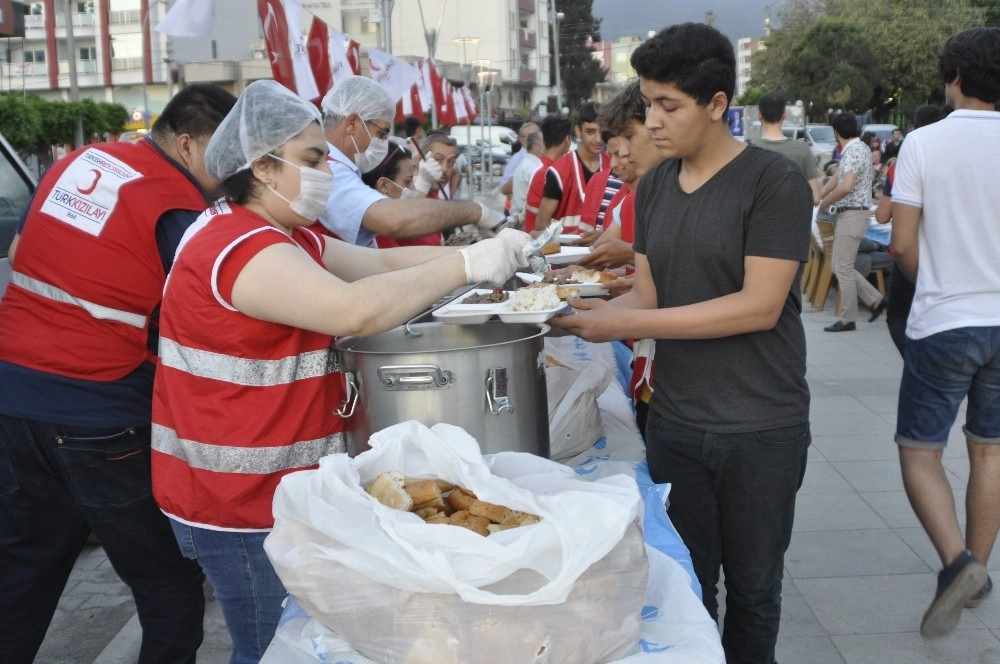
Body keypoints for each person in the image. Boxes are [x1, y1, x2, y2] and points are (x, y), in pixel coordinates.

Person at [149, 80, 532, 663]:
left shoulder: (284, 231)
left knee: (299, 642)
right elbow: (354, 307)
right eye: (312, 158)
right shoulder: (237, 246)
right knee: (267, 648)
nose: (328, 169)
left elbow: (375, 263)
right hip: (239, 499)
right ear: (263, 166)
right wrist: (463, 262)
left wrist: (490, 253)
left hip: (276, 486)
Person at [550, 22, 812, 664]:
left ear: (717, 105)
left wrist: (623, 324)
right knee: (689, 588)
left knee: (754, 594)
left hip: (759, 425)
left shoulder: (772, 182)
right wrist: (581, 308)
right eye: (649, 105)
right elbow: (649, 296)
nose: (655, 122)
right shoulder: (659, 185)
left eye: (670, 105)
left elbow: (758, 305)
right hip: (676, 422)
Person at [0, 83, 238, 664]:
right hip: (100, 417)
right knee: (170, 588)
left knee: (22, 574)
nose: (236, 172)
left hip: (15, 398)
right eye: (227, 156)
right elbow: (208, 307)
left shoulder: (81, 161)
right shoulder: (177, 206)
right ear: (187, 144)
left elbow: (25, 244)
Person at [890, 26, 1000, 638]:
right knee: (989, 448)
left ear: (954, 77)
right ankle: (978, 571)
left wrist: (931, 279)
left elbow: (902, 243)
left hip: (945, 320)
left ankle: (958, 563)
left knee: (919, 449)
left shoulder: (923, 143)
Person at [314, 77, 504, 246]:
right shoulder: (331, 171)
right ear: (352, 123)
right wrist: (475, 211)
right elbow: (392, 219)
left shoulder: (341, 169)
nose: (381, 143)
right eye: (380, 133)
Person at [873, 104, 950, 356]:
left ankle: (919, 361)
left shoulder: (904, 163)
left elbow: (883, 215)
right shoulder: (957, 159)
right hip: (951, 255)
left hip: (913, 256)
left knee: (898, 316)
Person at [816, 112, 885, 332]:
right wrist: (821, 194)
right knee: (839, 265)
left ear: (836, 133)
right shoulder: (858, 149)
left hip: (853, 214)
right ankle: (876, 300)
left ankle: (848, 318)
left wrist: (825, 202)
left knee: (842, 267)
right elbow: (837, 178)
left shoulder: (854, 150)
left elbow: (845, 186)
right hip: (852, 213)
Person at [532, 102, 611, 234]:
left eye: (602, 131)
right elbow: (541, 224)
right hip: (566, 251)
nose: (598, 139)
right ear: (578, 131)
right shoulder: (559, 171)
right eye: (590, 131)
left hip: (604, 251)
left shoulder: (613, 165)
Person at [752, 92, 821, 203]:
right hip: (794, 217)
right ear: (784, 115)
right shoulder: (802, 149)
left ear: (759, 115)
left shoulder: (749, 150)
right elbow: (816, 198)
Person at [523, 114, 573, 230]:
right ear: (567, 140)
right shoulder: (551, 173)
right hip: (543, 239)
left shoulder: (540, 168)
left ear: (544, 140)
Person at [510, 129, 543, 226]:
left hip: (521, 217)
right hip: (528, 220)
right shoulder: (535, 168)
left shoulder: (524, 164)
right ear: (536, 147)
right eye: (545, 143)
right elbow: (533, 199)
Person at [499, 121, 540, 195]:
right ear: (521, 139)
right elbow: (504, 188)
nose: (536, 139)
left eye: (538, 135)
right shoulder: (518, 159)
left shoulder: (540, 155)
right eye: (532, 136)